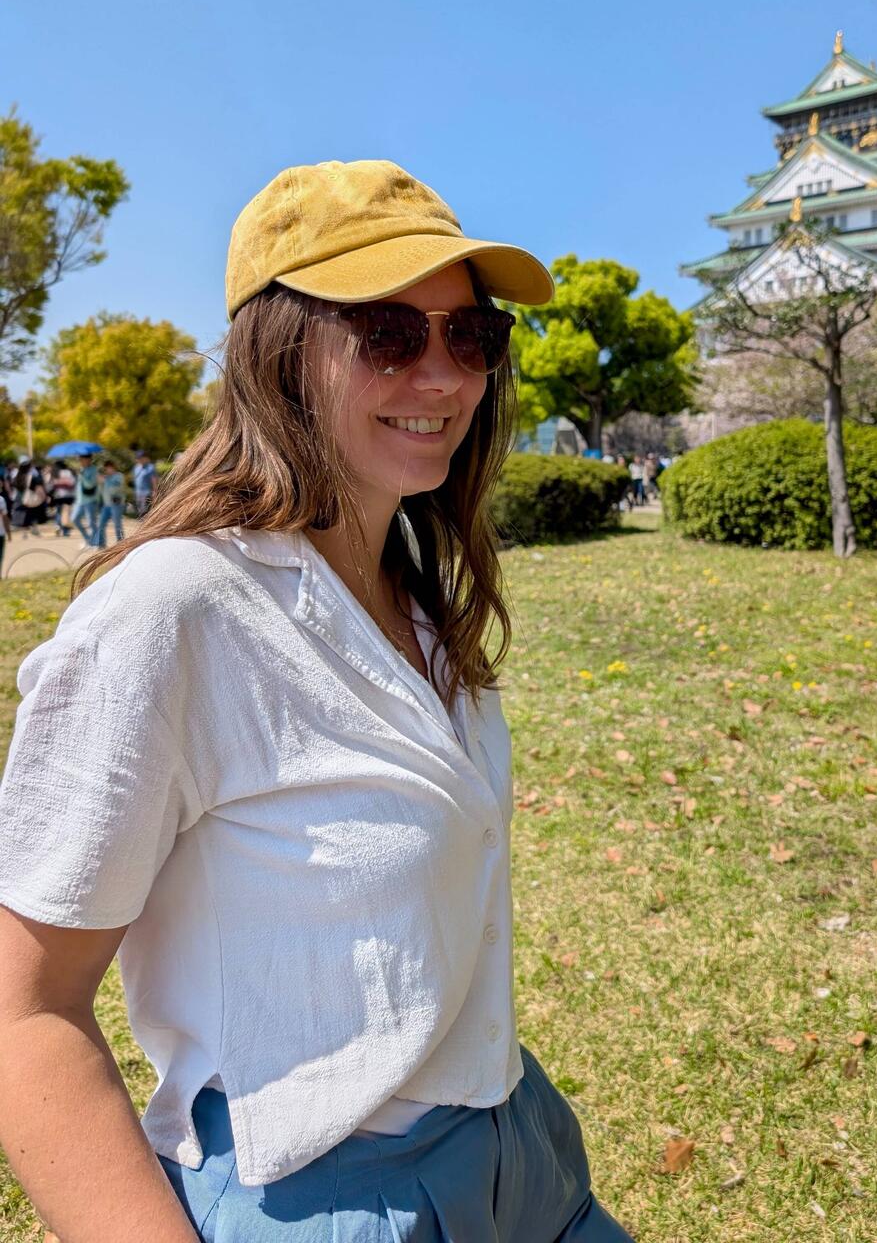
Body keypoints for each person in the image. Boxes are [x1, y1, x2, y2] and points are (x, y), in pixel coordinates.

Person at [0, 159, 635, 1243]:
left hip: (519, 1146)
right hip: (331, 1199)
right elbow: (26, 1014)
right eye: (389, 333)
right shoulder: (172, 612)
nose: (443, 376)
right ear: (279, 354)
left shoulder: (418, 593)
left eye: (471, 337)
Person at [95, 459, 126, 547]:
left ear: (113, 467)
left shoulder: (119, 476)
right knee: (101, 524)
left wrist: (105, 481)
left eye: (109, 468)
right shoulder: (106, 478)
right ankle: (101, 544)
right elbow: (102, 492)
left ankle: (121, 544)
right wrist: (100, 483)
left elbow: (116, 489)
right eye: (106, 468)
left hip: (117, 504)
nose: (107, 470)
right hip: (107, 504)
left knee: (117, 524)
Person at [71, 459, 100, 545]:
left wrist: (82, 475)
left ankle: (96, 542)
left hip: (91, 500)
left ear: (88, 460)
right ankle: (88, 540)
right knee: (74, 519)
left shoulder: (93, 470)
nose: (81, 461)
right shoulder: (81, 470)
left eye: (82, 459)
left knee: (91, 523)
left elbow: (90, 485)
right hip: (80, 501)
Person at [49, 463, 76, 536]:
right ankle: (66, 531)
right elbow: (72, 484)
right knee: (66, 513)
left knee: (58, 512)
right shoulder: (69, 472)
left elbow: (51, 486)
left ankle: (57, 525)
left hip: (58, 496)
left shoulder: (55, 473)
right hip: (68, 496)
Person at [132, 450, 159, 516]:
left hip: (147, 493)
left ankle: (146, 524)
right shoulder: (136, 468)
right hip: (138, 493)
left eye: (141, 458)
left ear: (146, 458)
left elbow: (154, 480)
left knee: (145, 512)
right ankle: (143, 524)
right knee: (140, 511)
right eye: (138, 458)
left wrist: (155, 492)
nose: (140, 460)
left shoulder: (150, 467)